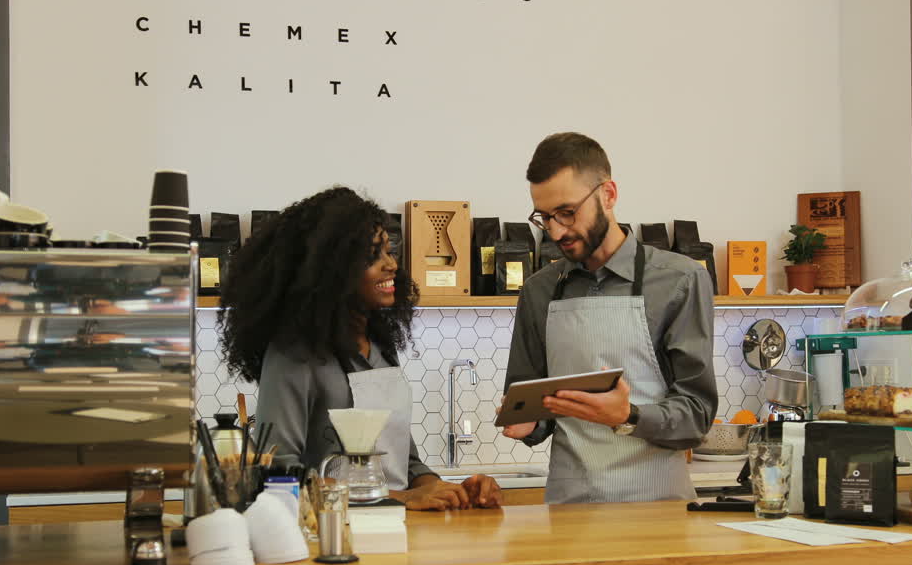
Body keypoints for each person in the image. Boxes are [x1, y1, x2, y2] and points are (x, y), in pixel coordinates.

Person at [219, 186, 501, 510]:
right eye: (372, 256)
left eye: (388, 251)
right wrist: (402, 498)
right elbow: (278, 475)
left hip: (396, 534)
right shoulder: (294, 357)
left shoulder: (380, 350)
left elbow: (406, 464)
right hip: (330, 541)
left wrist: (449, 489)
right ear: (328, 271)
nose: (391, 264)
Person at [502, 133, 717, 503]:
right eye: (544, 217)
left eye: (567, 213)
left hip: (659, 512)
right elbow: (535, 407)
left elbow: (697, 415)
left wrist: (628, 416)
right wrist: (528, 422)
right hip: (569, 512)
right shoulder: (538, 290)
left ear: (608, 195)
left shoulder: (680, 280)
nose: (555, 231)